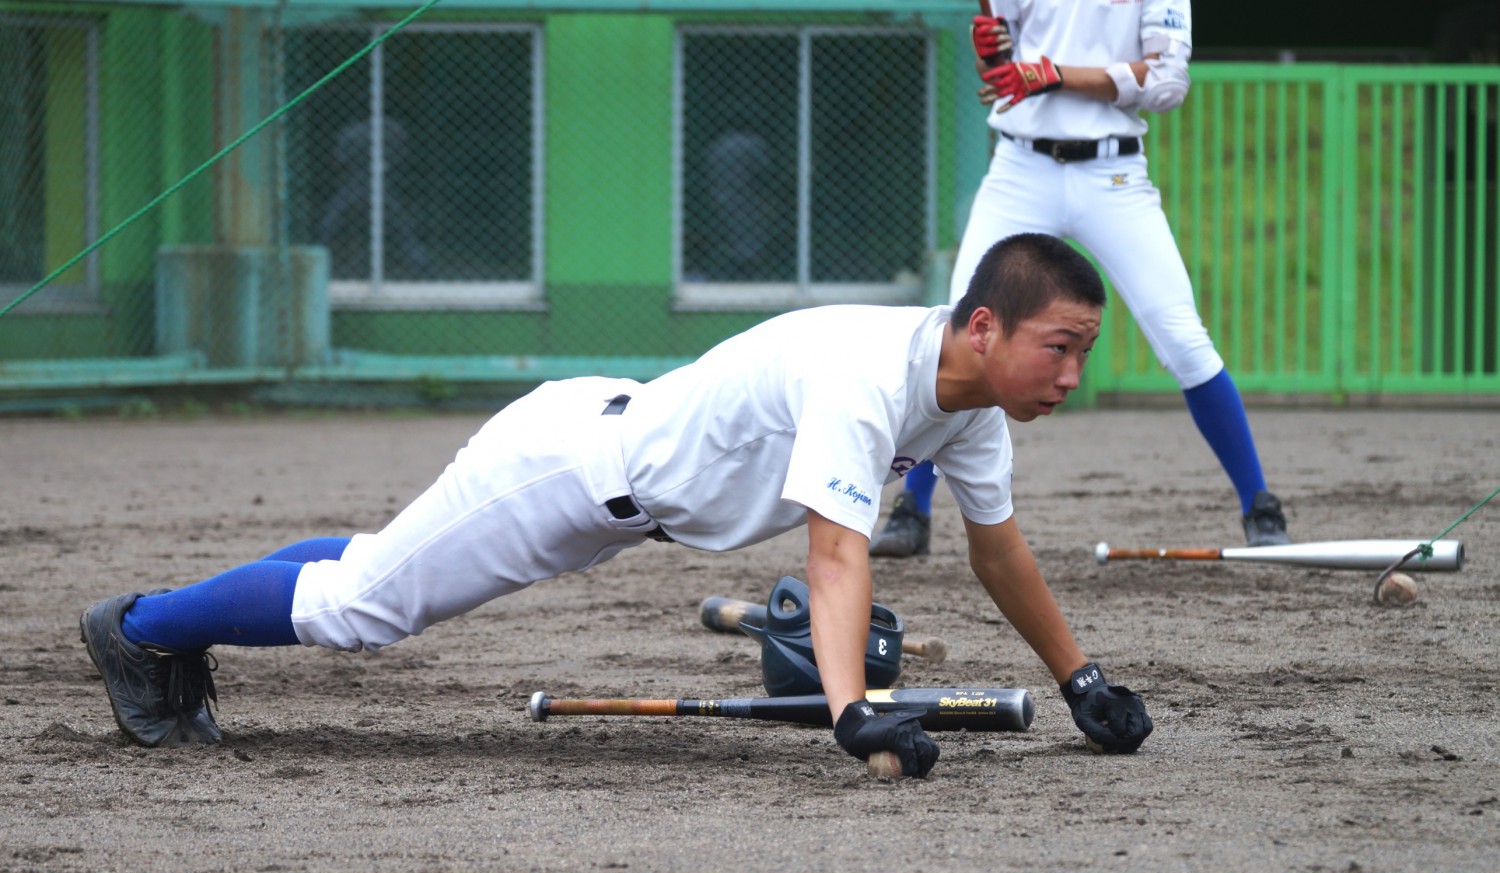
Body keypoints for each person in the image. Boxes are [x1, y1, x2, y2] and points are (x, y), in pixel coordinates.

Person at [80, 233, 1152, 777]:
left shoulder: (965, 406)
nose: (1069, 374)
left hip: (602, 478)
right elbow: (838, 559)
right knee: (364, 604)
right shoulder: (868, 375)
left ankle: (174, 626)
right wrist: (851, 712)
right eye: (1057, 347)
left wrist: (1080, 681)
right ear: (981, 329)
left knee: (374, 563)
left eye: (1083, 354)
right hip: (562, 473)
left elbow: (998, 554)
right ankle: (139, 629)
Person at [871, 0, 1289, 559]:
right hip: (1021, 166)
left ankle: (1260, 504)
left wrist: (1058, 75)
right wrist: (994, 54)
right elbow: (1005, 70)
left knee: (1183, 338)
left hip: (1113, 173)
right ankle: (912, 509)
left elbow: (1166, 83)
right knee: (960, 333)